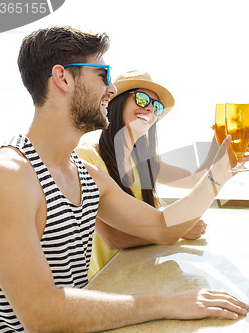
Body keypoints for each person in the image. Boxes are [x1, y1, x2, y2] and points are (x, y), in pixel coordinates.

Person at [0, 26, 248, 332]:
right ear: (63, 78)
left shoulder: (85, 174)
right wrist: (165, 303)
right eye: (102, 75)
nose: (111, 89)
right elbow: (42, 314)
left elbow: (162, 228)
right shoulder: (7, 175)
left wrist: (223, 169)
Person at [76, 70, 215, 280]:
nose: (150, 108)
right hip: (106, 285)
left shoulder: (145, 162)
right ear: (117, 102)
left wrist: (220, 144)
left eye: (156, 106)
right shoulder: (87, 158)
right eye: (142, 98)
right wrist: (176, 231)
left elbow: (197, 179)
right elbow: (113, 238)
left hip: (142, 276)